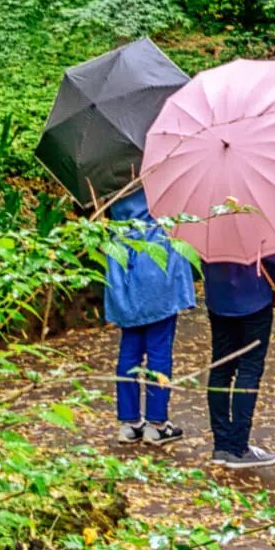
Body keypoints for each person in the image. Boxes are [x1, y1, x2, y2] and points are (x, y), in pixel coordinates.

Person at [103, 188, 196, 444]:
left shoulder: (110, 182)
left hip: (123, 267)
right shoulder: (159, 176)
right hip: (156, 264)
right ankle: (157, 422)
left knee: (129, 349)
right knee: (159, 349)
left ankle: (129, 422)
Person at [202, 251, 275, 468]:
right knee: (249, 369)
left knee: (221, 369)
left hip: (219, 296)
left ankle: (222, 444)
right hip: (254, 295)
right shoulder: (257, 219)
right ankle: (239, 446)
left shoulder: (207, 222)